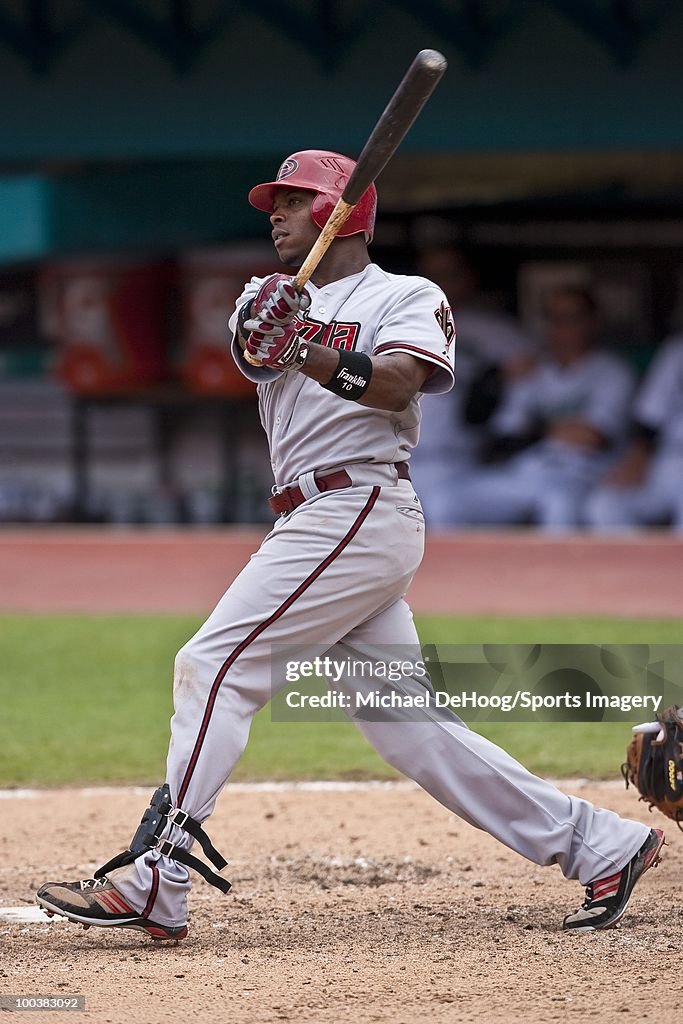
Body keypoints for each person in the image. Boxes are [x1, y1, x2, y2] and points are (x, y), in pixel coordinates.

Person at [36, 151, 663, 940]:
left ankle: (157, 872)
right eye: (275, 202)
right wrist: (280, 333)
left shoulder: (405, 295)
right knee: (407, 727)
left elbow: (400, 384)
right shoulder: (261, 299)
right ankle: (600, 844)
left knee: (213, 663)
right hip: (311, 515)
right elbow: (254, 350)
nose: (275, 214)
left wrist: (302, 345)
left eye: (295, 202)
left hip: (358, 505)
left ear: (344, 214)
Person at [448, 284, 636, 531]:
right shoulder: (533, 370)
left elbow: (590, 437)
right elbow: (507, 433)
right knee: (448, 502)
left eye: (571, 319)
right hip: (529, 469)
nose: (561, 328)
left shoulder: (612, 371)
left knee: (558, 504)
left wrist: (534, 430)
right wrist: (553, 430)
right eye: (554, 318)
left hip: (583, 473)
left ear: (592, 322)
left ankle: (560, 571)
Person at [409, 243, 535, 528]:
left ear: (469, 277)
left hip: (458, 461)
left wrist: (495, 377)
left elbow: (532, 371)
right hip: (402, 459)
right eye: (431, 274)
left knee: (446, 519)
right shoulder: (399, 324)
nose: (439, 282)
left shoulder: (494, 330)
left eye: (448, 273)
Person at [585, 334, 683, 531]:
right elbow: (649, 415)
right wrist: (636, 457)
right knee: (604, 504)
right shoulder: (677, 349)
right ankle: (649, 562)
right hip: (668, 457)